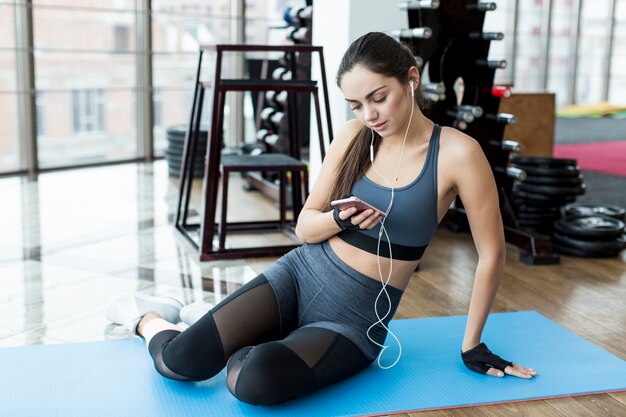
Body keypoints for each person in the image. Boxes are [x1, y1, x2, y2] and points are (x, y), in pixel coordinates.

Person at [106, 31, 536, 406]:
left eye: (378, 97)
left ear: (411, 78)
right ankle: (149, 317)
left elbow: (491, 253)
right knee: (179, 363)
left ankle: (245, 333)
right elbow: (305, 226)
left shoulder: (459, 153)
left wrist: (471, 344)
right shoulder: (353, 137)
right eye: (356, 104)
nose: (369, 114)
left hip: (353, 320)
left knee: (251, 381)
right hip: (299, 277)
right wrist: (344, 220)